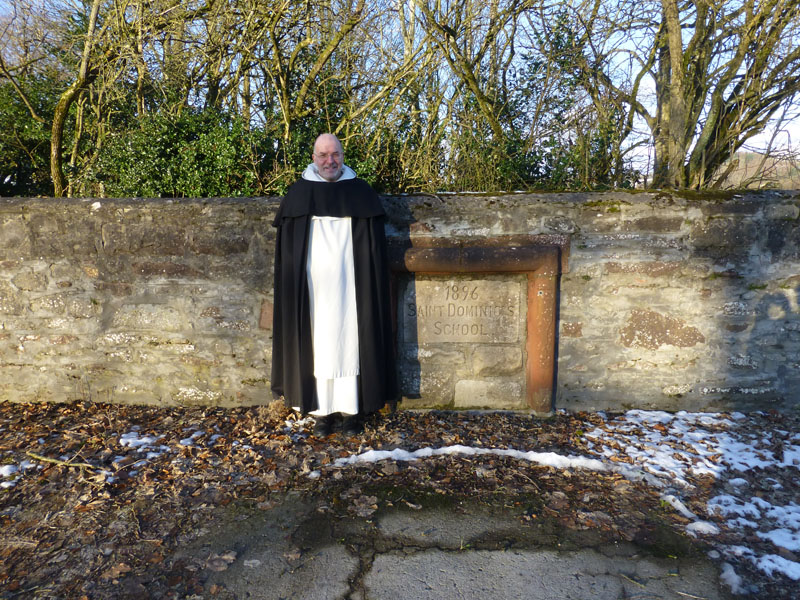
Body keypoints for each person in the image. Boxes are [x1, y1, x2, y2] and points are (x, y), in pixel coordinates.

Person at [271, 133, 398, 435]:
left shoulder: (361, 193)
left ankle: (352, 411)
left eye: (335, 155)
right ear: (313, 158)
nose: (330, 161)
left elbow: (373, 252)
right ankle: (321, 412)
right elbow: (288, 253)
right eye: (323, 155)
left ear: (343, 155)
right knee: (317, 345)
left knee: (351, 342)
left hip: (353, 289)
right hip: (312, 291)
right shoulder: (298, 195)